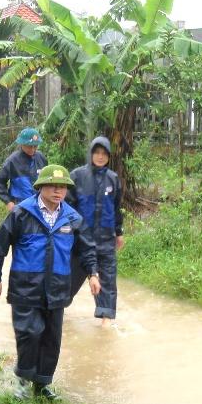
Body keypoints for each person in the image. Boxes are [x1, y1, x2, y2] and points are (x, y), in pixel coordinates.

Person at [0, 164, 101, 400]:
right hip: (25, 286)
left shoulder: (72, 218)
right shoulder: (22, 213)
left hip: (57, 288)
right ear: (41, 187)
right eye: (53, 186)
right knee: (30, 333)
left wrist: (93, 274)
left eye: (62, 187)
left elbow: (87, 249)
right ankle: (22, 381)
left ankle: (42, 385)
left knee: (51, 338)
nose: (58, 191)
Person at [67, 136, 123, 323]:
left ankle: (106, 323)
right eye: (96, 153)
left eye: (104, 153)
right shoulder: (77, 176)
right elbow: (67, 208)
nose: (100, 156)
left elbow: (116, 209)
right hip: (81, 241)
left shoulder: (113, 179)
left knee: (107, 281)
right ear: (91, 154)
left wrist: (119, 232)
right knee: (69, 281)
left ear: (108, 156)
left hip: (106, 240)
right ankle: (56, 310)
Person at [0, 127, 47, 211]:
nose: (33, 149)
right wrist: (8, 202)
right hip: (20, 206)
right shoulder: (12, 161)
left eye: (35, 146)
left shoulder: (41, 158)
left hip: (40, 205)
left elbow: (47, 181)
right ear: (21, 144)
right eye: (29, 146)